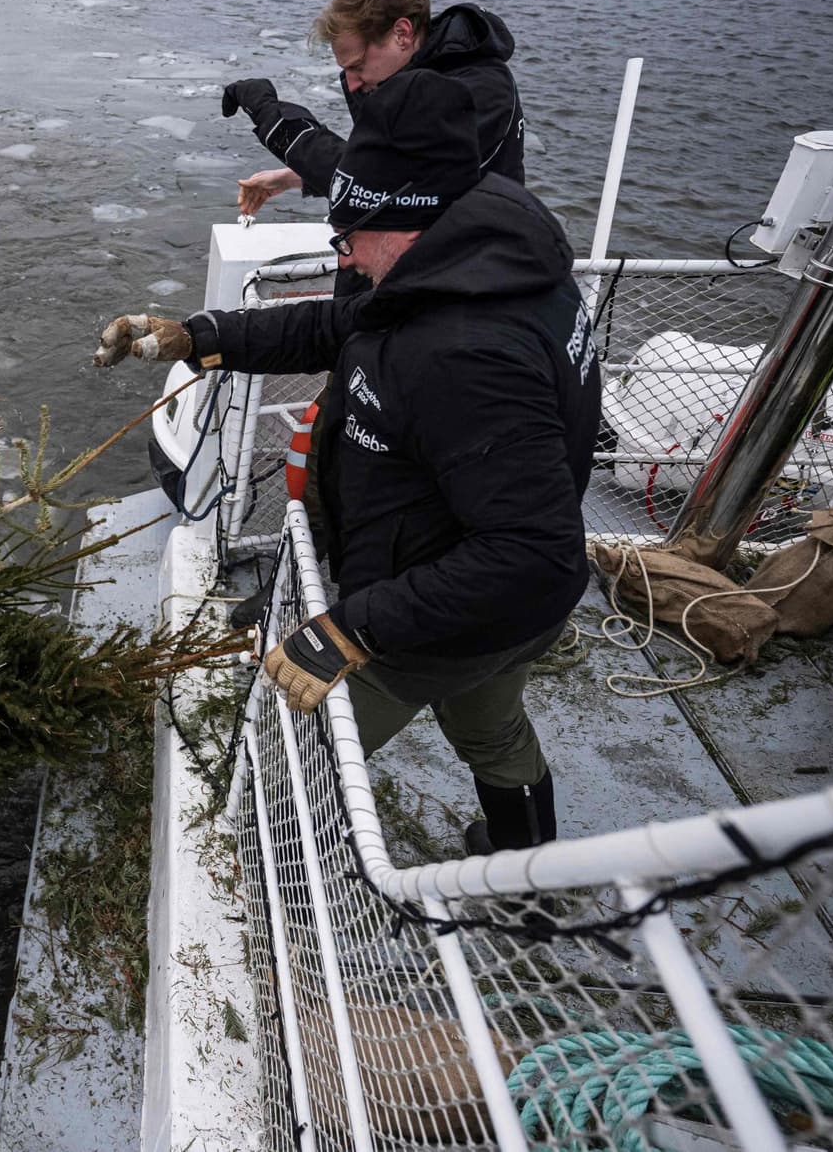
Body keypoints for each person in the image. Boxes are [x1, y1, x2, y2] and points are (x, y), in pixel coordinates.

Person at [94, 70, 599, 854]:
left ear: (411, 223)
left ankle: (274, 876)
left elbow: (538, 553)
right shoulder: (475, 259)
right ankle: (525, 870)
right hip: (497, 614)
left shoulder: (465, 355)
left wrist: (352, 629)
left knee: (292, 756)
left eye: (352, 235)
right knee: (492, 729)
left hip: (430, 618)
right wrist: (198, 336)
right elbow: (336, 326)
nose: (346, 255)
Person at [221, 0, 526, 219]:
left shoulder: (478, 92)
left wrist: (274, 119)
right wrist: (295, 178)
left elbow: (383, 184)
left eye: (358, 65)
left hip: (479, 258)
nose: (352, 83)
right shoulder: (399, 79)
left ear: (402, 34)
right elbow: (381, 165)